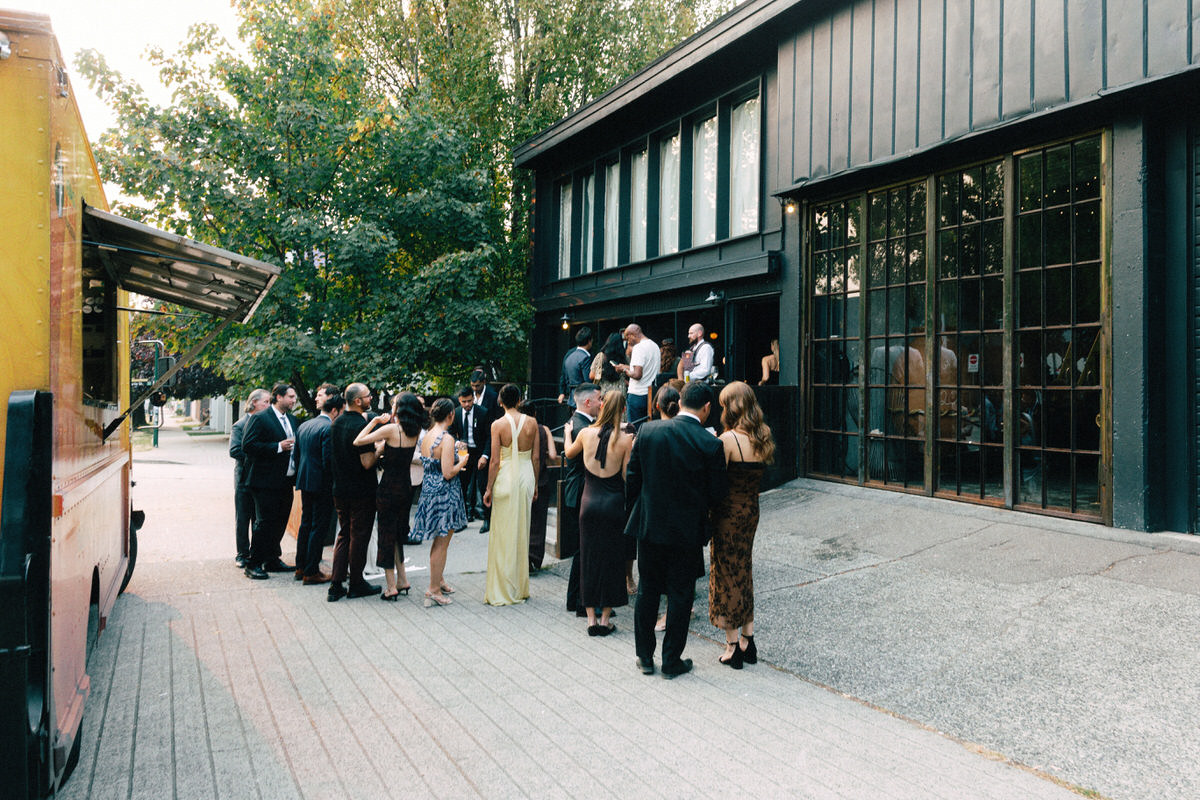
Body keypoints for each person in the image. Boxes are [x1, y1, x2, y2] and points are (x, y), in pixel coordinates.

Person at [625, 381, 728, 679]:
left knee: (647, 592)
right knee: (681, 595)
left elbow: (633, 480)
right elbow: (717, 494)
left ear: (681, 401)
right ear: (707, 408)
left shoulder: (647, 432)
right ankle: (671, 660)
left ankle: (645, 657)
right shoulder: (710, 444)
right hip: (686, 531)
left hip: (650, 525)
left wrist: (638, 513)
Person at [709, 381, 774, 669]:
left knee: (726, 573)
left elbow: (716, 482)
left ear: (731, 407)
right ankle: (749, 639)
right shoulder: (763, 435)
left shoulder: (728, 440)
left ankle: (732, 644)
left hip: (728, 513)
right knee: (743, 569)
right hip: (751, 510)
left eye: (724, 404)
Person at [564, 390, 633, 636]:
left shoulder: (584, 433)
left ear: (601, 407)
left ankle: (590, 619)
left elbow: (569, 453)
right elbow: (626, 476)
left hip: (589, 503)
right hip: (614, 504)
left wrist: (565, 435)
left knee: (589, 559)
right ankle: (606, 620)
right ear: (623, 410)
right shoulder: (626, 439)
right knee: (612, 559)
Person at [354, 392, 424, 601]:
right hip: (406, 488)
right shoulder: (415, 430)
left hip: (387, 489)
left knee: (385, 535)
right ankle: (402, 579)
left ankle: (391, 585)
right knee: (397, 537)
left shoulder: (391, 429)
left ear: (399, 409)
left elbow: (359, 441)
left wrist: (374, 420)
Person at [481, 384, 539, 605]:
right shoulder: (532, 423)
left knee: (502, 532)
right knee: (521, 530)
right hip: (525, 476)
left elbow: (495, 461)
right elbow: (535, 458)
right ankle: (519, 586)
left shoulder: (498, 425)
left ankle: (503, 586)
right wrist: (535, 485)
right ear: (519, 400)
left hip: (505, 477)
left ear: (500, 401)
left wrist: (488, 488)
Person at [411, 397, 468, 607]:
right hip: (445, 494)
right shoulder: (446, 438)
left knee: (438, 540)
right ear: (451, 415)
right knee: (442, 543)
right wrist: (461, 460)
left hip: (429, 490)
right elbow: (448, 472)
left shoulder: (426, 436)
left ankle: (439, 579)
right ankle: (433, 589)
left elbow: (433, 463)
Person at [327, 383, 382, 601]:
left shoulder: (336, 422)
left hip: (340, 487)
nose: (371, 398)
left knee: (344, 534)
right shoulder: (362, 425)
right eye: (368, 396)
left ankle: (336, 583)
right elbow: (367, 462)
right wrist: (379, 449)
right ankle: (356, 582)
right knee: (359, 536)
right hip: (361, 489)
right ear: (358, 401)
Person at [240, 383, 300, 580]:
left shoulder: (292, 420)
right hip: (264, 481)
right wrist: (278, 447)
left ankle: (272, 559)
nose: (294, 400)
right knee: (264, 523)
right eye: (290, 397)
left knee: (281, 520)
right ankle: (253, 563)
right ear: (279, 397)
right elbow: (248, 445)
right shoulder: (260, 417)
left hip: (285, 480)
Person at [293, 387, 342, 585]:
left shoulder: (305, 425)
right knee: (318, 526)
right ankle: (312, 570)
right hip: (321, 484)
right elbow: (327, 461)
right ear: (335, 411)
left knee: (305, 525)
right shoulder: (328, 428)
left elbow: (296, 456)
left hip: (305, 481)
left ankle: (300, 566)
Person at [561, 383, 602, 616]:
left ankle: (575, 599)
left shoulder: (577, 424)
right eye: (598, 399)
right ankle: (580, 602)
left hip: (578, 489)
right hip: (581, 490)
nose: (601, 402)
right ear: (588, 402)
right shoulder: (581, 427)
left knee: (581, 548)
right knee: (584, 549)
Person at [229, 388, 269, 569]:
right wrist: (258, 455)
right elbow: (235, 450)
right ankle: (242, 554)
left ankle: (257, 552)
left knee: (259, 518)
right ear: (254, 402)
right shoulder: (240, 425)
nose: (268, 406)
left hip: (261, 478)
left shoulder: (266, 423)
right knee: (243, 516)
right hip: (244, 478)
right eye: (265, 402)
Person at [520, 400, 558, 573]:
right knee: (539, 521)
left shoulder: (519, 429)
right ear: (535, 413)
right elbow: (553, 454)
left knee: (523, 519)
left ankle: (521, 557)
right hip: (541, 478)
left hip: (521, 478)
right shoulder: (544, 429)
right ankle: (534, 558)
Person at [450, 386, 491, 525]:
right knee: (463, 485)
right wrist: (457, 443)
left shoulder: (483, 413)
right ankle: (465, 514)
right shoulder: (455, 413)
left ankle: (487, 519)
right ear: (459, 401)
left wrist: (485, 456)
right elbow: (450, 433)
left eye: (469, 401)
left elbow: (489, 437)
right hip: (463, 453)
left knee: (482, 484)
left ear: (473, 398)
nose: (467, 404)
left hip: (479, 452)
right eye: (463, 402)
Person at [468, 370, 500, 533]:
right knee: (468, 485)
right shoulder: (469, 396)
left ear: (484, 382)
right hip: (470, 446)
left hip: (485, 443)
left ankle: (487, 518)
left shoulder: (493, 397)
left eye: (478, 386)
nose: (475, 389)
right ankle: (469, 512)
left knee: (483, 484)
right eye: (473, 386)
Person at [615, 323, 659, 429]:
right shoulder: (655, 346)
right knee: (649, 428)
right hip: (651, 394)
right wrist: (627, 367)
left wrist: (623, 369)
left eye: (627, 339)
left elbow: (637, 374)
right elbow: (645, 368)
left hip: (637, 394)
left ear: (631, 335)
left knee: (634, 430)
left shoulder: (639, 348)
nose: (627, 342)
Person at [558, 326, 593, 407]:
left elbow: (564, 375)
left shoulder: (569, 356)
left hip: (572, 397)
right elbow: (588, 380)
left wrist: (562, 392)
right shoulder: (585, 358)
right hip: (583, 397)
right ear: (589, 341)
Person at [590, 332, 628, 399]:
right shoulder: (625, 357)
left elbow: (591, 375)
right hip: (620, 393)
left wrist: (603, 372)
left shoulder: (601, 356)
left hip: (605, 392)